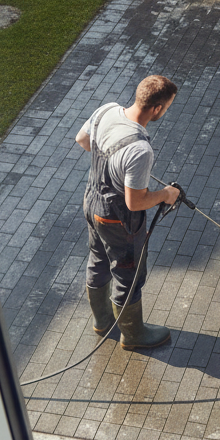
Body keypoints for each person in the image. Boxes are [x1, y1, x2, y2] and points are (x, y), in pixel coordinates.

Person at [75, 75, 181, 349]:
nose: (166, 111)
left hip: (91, 203)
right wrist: (166, 195)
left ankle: (102, 322)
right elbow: (136, 202)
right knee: (127, 273)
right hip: (117, 219)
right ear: (157, 108)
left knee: (98, 260)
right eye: (167, 107)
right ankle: (133, 336)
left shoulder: (106, 111)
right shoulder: (140, 149)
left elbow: (83, 141)